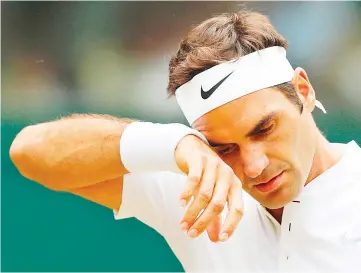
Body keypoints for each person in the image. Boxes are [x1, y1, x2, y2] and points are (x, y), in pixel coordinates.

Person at [9, 10, 361, 273]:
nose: (253, 166)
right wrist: (175, 144)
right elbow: (30, 152)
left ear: (303, 91)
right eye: (224, 147)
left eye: (264, 128)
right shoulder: (198, 182)